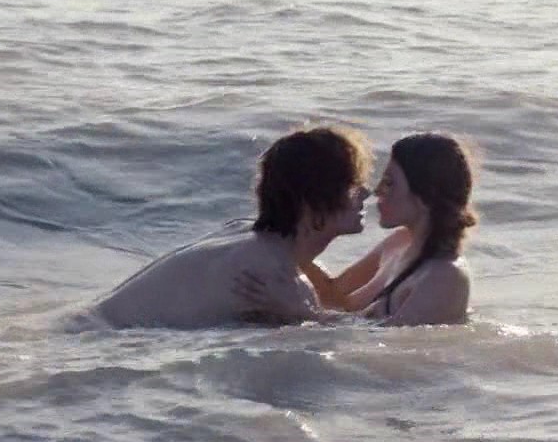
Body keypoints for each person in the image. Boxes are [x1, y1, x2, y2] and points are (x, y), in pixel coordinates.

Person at [89, 125, 373, 329]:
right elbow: (344, 341)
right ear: (312, 200)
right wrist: (305, 316)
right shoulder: (275, 275)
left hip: (87, 323)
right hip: (102, 339)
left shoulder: (248, 235)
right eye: (352, 185)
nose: (366, 193)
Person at [236, 132, 477, 326]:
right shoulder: (399, 243)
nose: (377, 191)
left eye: (389, 183)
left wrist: (300, 312)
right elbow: (335, 295)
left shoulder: (444, 276)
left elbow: (387, 348)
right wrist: (288, 240)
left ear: (425, 197)